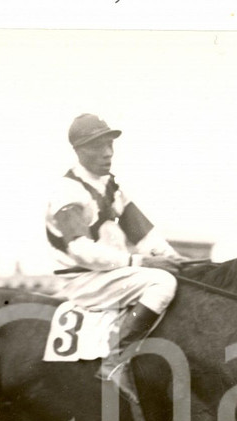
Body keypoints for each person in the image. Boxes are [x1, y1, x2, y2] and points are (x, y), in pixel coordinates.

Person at [45, 113, 185, 397]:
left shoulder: (113, 188)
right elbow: (80, 249)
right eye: (97, 146)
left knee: (179, 278)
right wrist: (138, 261)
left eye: (109, 144)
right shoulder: (67, 190)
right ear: (78, 151)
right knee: (162, 283)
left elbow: (146, 237)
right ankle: (114, 361)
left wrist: (178, 261)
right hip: (82, 280)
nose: (107, 153)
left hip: (111, 276)